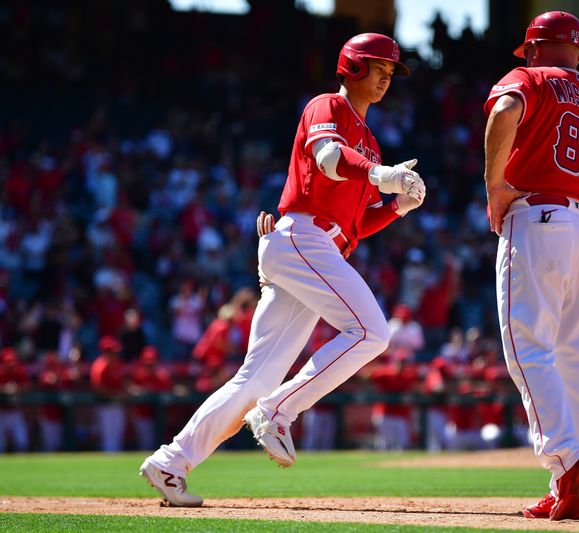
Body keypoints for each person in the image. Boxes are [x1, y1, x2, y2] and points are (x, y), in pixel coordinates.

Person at [139, 33, 426, 507]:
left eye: (391, 72)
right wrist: (379, 175)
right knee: (373, 332)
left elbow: (354, 226)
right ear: (352, 66)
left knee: (254, 379)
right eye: (378, 67)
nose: (385, 78)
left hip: (316, 247)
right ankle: (278, 411)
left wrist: (397, 207)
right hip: (302, 239)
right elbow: (329, 160)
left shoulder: (371, 140)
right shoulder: (326, 107)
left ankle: (171, 462)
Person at [483, 11, 579, 521]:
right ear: (577, 52)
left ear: (534, 48)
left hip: (538, 217)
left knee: (527, 348)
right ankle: (576, 494)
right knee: (577, 365)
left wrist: (494, 187)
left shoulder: (529, 77)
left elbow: (504, 110)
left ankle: (569, 461)